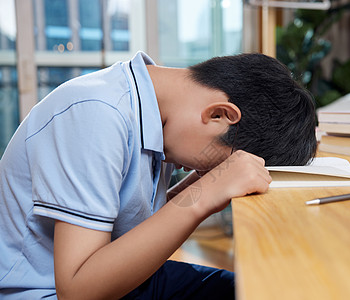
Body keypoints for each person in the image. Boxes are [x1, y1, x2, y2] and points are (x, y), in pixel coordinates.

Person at [0, 51, 316, 299]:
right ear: (219, 114)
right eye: (215, 164)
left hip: (113, 280)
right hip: (47, 291)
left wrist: (202, 187)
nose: (207, 170)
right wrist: (204, 195)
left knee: (265, 291)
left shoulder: (157, 110)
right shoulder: (96, 114)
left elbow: (133, 229)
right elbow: (78, 290)